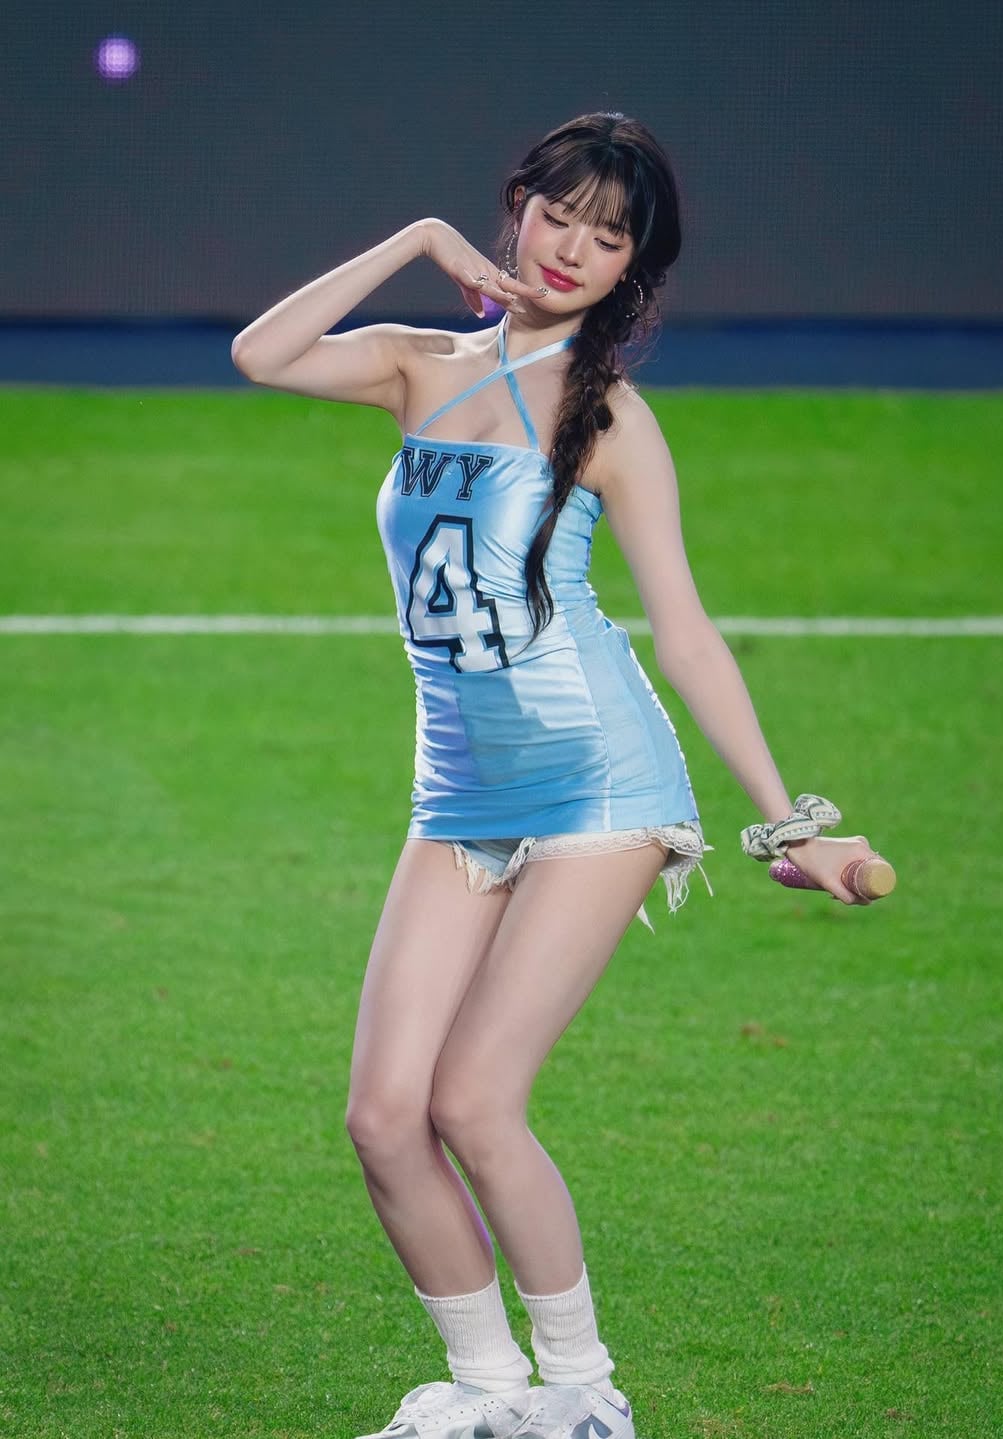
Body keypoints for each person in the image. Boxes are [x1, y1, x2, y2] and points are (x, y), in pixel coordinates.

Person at [231, 111, 878, 1439]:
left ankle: (584, 1396)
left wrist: (788, 821)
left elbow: (684, 635)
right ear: (516, 209)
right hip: (457, 792)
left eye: (611, 236)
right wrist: (419, 241)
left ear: (636, 265)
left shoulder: (614, 417)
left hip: (598, 785)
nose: (575, 248)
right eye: (559, 214)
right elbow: (260, 353)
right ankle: (487, 1393)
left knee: (474, 1101)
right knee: (382, 1117)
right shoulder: (418, 364)